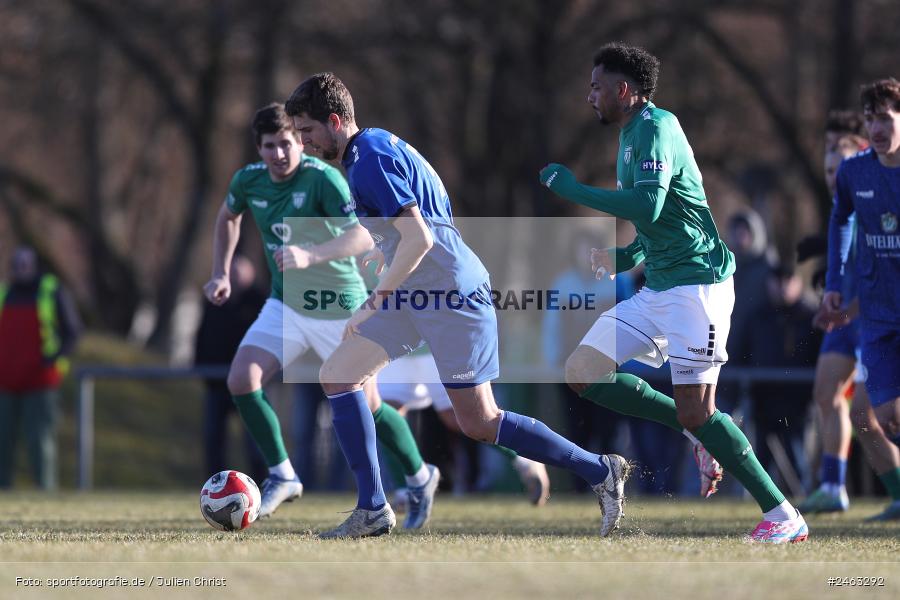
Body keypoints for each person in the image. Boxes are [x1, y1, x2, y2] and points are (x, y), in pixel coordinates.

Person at [286, 72, 630, 539]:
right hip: (419, 289)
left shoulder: (367, 161)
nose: (303, 143)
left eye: (306, 132)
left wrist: (374, 298)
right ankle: (372, 508)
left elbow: (420, 238)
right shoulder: (376, 146)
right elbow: (419, 224)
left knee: (480, 422)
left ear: (333, 121)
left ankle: (599, 471)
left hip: (449, 293)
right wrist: (380, 248)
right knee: (338, 374)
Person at [539, 42, 807, 542]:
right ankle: (695, 430)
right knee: (582, 371)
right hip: (659, 286)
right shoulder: (628, 136)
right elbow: (663, 218)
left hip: (698, 287)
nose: (588, 95)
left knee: (699, 408)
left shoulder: (659, 127)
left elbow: (648, 203)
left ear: (623, 89)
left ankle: (784, 515)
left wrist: (574, 191)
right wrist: (627, 257)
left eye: (596, 86)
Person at [203, 103, 437, 527]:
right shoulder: (248, 181)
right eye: (270, 146)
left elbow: (363, 236)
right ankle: (282, 474)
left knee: (370, 406)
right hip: (286, 303)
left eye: (288, 143)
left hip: (338, 306)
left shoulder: (324, 178)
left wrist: (310, 254)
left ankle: (420, 477)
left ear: (299, 142)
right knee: (241, 378)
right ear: (259, 149)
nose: (279, 154)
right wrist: (221, 271)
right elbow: (227, 217)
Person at [820, 78, 900, 520]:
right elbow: (840, 221)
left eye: (885, 118)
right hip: (879, 314)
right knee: (883, 417)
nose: (876, 127)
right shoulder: (856, 172)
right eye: (870, 119)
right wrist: (834, 282)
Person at [377, 347, 551, 507]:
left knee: (462, 418)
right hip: (396, 347)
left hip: (432, 344)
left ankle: (523, 459)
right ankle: (404, 490)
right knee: (386, 412)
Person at [0, 246, 81, 490]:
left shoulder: (50, 290)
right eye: (17, 264)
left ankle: (45, 491)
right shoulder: (4, 293)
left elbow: (72, 331)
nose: (21, 269)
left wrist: (53, 360)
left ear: (35, 266)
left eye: (26, 264)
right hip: (5, 380)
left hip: (40, 381)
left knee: (40, 441)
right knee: (3, 442)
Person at [194, 254, 268, 483]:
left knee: (256, 441)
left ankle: (265, 483)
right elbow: (202, 334)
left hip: (250, 385)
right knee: (213, 438)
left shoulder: (260, 301)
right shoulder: (214, 301)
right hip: (216, 383)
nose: (234, 279)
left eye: (239, 274)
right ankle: (215, 485)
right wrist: (200, 366)